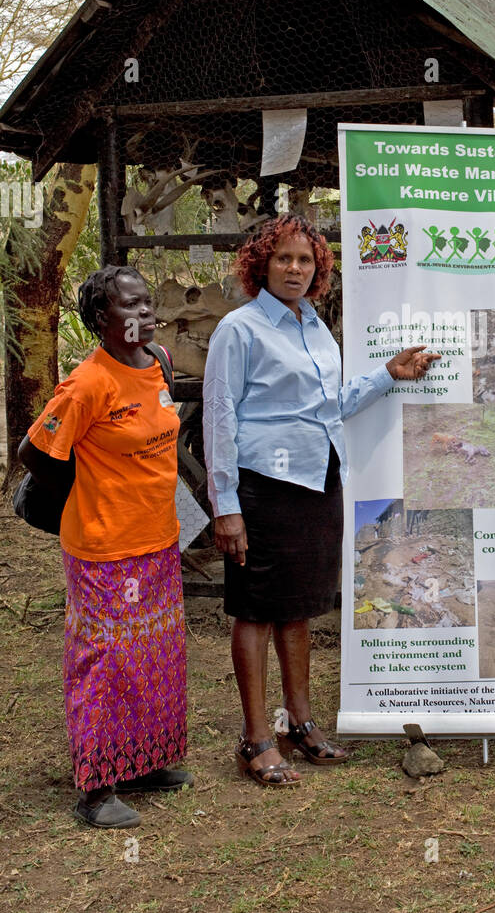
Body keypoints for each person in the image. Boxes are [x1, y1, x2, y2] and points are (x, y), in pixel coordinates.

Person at [203, 214, 439, 786]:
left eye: (305, 260)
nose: (294, 269)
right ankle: (256, 737)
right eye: (283, 258)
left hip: (318, 482)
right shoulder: (239, 329)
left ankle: (301, 724)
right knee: (256, 608)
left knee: (299, 606)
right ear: (261, 263)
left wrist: (388, 375)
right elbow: (219, 416)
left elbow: (329, 403)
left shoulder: (315, 326)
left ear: (318, 269)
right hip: (263, 487)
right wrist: (226, 506)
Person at [18, 266, 191, 828]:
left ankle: (142, 762)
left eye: (146, 304)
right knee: (105, 662)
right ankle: (96, 789)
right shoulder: (89, 382)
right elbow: (34, 452)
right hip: (105, 551)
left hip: (158, 540)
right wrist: (86, 491)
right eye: (127, 309)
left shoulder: (159, 362)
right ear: (100, 321)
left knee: (152, 655)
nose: (142, 316)